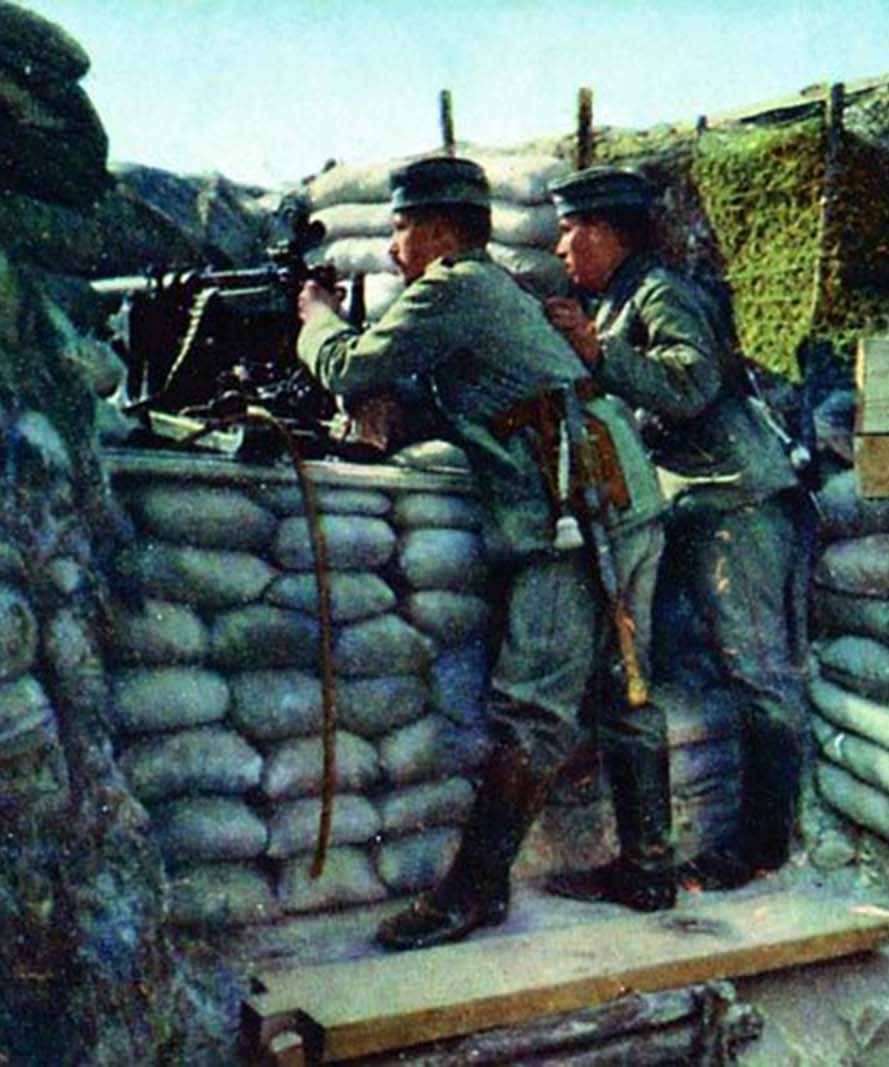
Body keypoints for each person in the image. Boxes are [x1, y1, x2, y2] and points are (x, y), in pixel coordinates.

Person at [295, 156, 676, 950]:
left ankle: (473, 892)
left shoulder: (453, 287)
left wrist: (317, 318)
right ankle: (648, 867)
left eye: (402, 228)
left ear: (439, 231)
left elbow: (348, 366)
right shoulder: (493, 289)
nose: (393, 246)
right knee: (625, 686)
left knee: (533, 705)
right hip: (621, 495)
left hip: (575, 510)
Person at [541, 165, 813, 896]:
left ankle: (763, 845)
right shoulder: (620, 299)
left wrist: (601, 354)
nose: (562, 248)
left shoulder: (660, 292)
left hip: (736, 500)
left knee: (759, 672)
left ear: (606, 232)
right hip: (696, 503)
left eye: (570, 231)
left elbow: (692, 383)